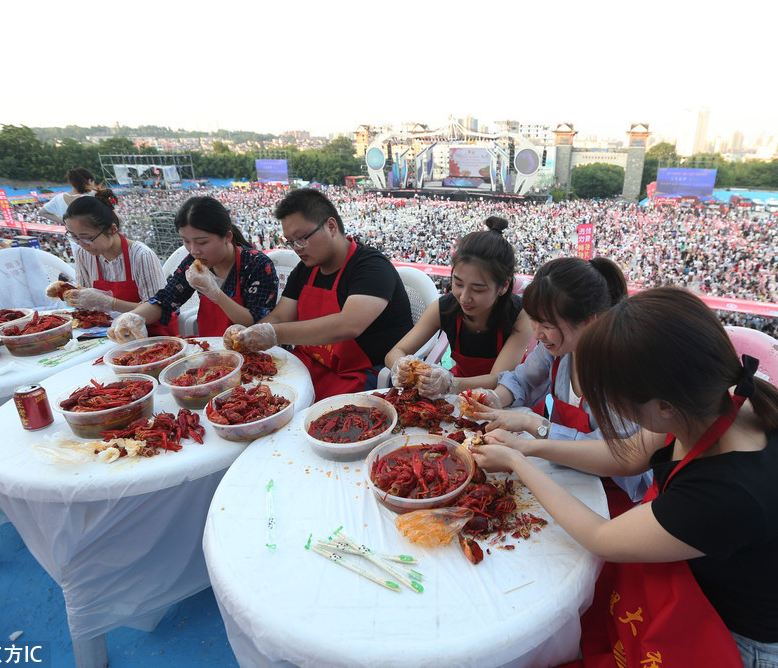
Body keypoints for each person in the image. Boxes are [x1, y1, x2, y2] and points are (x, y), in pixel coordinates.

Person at [471, 287, 778, 666]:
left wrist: (518, 465)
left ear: (665, 406)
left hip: (738, 641)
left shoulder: (727, 491)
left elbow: (602, 538)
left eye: (615, 401)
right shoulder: (717, 396)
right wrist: (529, 448)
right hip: (703, 586)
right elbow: (632, 453)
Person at [468, 257, 652, 510]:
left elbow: (617, 455)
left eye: (546, 325)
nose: (537, 334)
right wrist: (496, 399)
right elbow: (524, 379)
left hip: (616, 491)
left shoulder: (622, 372)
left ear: (590, 321)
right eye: (534, 321)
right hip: (569, 473)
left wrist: (536, 426)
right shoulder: (559, 348)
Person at [225, 189, 413, 400]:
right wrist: (249, 334)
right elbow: (280, 316)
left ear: (331, 226)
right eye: (290, 242)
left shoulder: (371, 266)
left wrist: (275, 334)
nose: (296, 248)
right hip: (310, 364)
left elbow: (348, 325)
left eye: (301, 238)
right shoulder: (306, 268)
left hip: (362, 375)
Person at [384, 216, 531, 396]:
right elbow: (394, 353)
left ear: (504, 286)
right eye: (458, 284)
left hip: (506, 396)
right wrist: (403, 366)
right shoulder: (444, 307)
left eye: (478, 290)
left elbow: (497, 379)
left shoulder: (520, 316)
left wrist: (448, 383)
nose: (464, 298)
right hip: (459, 389)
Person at [108, 196, 277, 341]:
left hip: (252, 350)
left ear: (227, 236)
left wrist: (215, 293)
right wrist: (134, 316)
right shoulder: (193, 262)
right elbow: (165, 300)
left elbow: (256, 323)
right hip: (213, 349)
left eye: (202, 242)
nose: (194, 250)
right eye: (186, 241)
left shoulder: (257, 264)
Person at [59, 189, 177, 336]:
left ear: (112, 229)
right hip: (107, 332)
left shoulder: (141, 256)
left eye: (86, 237)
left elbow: (158, 310)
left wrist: (109, 303)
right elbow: (85, 301)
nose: (81, 243)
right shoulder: (83, 253)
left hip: (150, 333)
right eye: (74, 237)